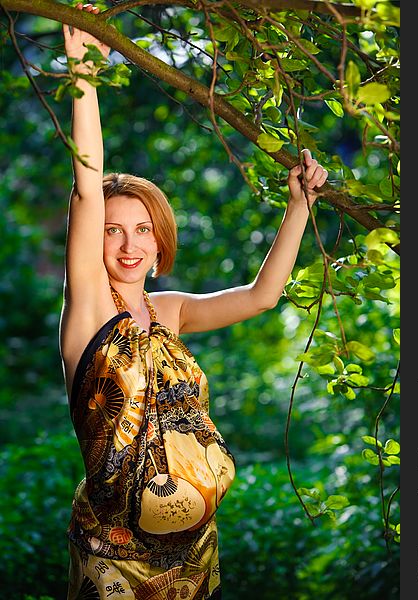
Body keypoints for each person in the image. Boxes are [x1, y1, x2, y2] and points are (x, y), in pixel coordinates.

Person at [61, 3, 328, 599]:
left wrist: (300, 205)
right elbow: (86, 182)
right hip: (115, 561)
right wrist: (86, 78)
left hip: (195, 556)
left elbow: (262, 297)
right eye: (112, 229)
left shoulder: (170, 311)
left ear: (161, 243)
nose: (129, 244)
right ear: (92, 240)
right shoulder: (88, 311)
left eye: (143, 229)